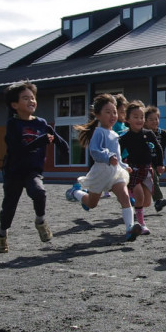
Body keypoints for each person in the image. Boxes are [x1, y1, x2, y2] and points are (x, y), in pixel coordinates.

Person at [0, 81, 68, 253]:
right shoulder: (13, 125)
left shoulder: (41, 122)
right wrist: (41, 141)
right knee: (9, 208)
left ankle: (40, 221)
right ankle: (2, 233)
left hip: (33, 171)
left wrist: (63, 146)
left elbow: (55, 136)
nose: (31, 101)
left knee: (39, 193)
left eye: (33, 97)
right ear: (14, 105)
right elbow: (18, 150)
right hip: (14, 172)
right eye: (25, 98)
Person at [66, 94, 143, 242]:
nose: (112, 115)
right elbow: (94, 151)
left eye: (114, 112)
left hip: (116, 173)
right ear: (98, 115)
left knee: (125, 197)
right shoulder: (98, 132)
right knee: (91, 203)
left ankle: (129, 229)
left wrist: (124, 166)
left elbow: (118, 157)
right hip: (101, 172)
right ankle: (75, 192)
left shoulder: (114, 134)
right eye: (108, 112)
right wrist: (108, 157)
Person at [118, 101, 165, 234]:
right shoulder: (125, 137)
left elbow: (158, 148)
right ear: (127, 119)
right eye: (135, 117)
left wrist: (160, 164)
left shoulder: (148, 133)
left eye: (141, 117)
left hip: (147, 169)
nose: (139, 120)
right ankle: (141, 224)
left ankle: (132, 197)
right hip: (134, 169)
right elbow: (118, 153)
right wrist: (120, 166)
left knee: (147, 202)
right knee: (139, 196)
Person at [143, 105, 166, 211]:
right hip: (146, 162)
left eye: (156, 119)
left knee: (151, 183)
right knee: (154, 179)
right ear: (145, 121)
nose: (154, 121)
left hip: (158, 162)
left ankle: (144, 201)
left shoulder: (162, 133)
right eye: (151, 119)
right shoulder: (143, 133)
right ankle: (158, 200)